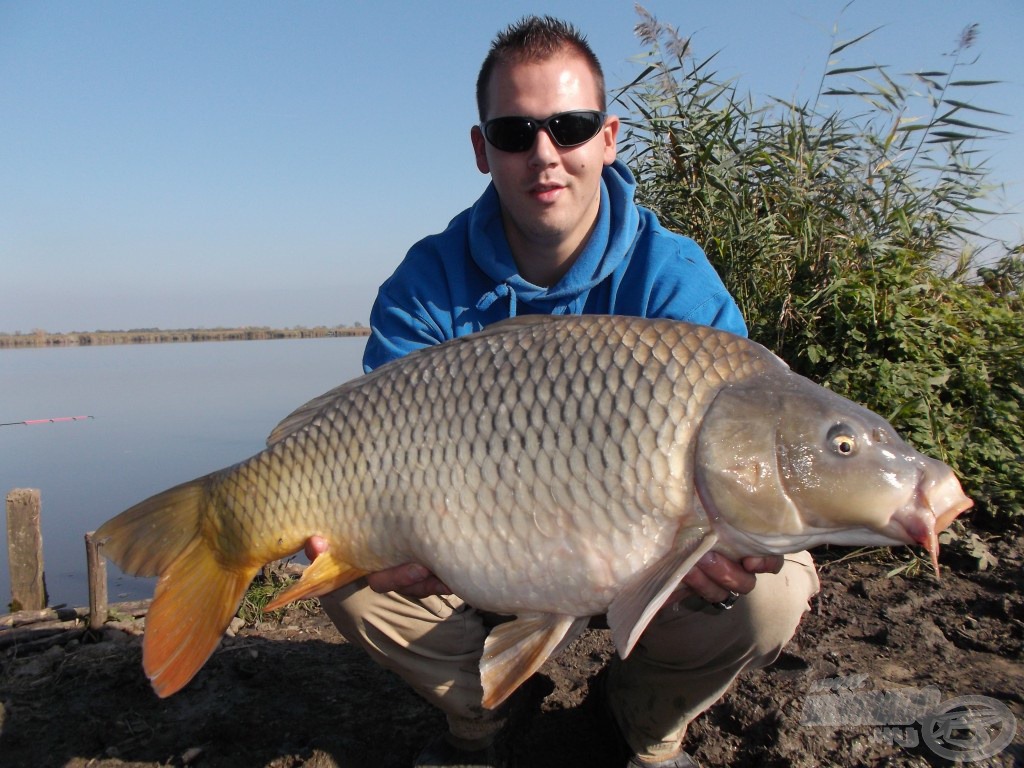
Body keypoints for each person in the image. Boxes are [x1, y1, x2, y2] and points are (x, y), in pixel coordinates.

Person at [307, 16, 819, 768]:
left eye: (569, 126)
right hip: (473, 551)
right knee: (342, 569)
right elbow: (372, 456)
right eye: (514, 134)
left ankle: (640, 719)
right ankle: (487, 716)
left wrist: (713, 546)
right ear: (483, 151)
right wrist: (382, 539)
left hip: (640, 555)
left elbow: (743, 447)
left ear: (608, 137)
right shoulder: (427, 284)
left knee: (768, 588)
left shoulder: (673, 279)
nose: (543, 155)